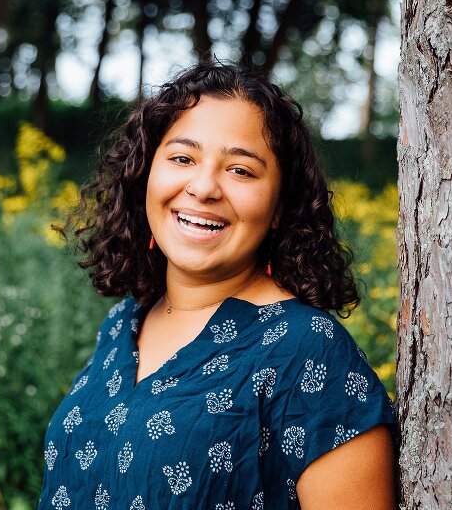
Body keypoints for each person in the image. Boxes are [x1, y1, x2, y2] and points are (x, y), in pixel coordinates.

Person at [38, 62, 399, 510]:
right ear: (145, 175)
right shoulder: (122, 324)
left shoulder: (308, 350)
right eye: (183, 158)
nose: (204, 187)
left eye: (241, 171)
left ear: (281, 205)